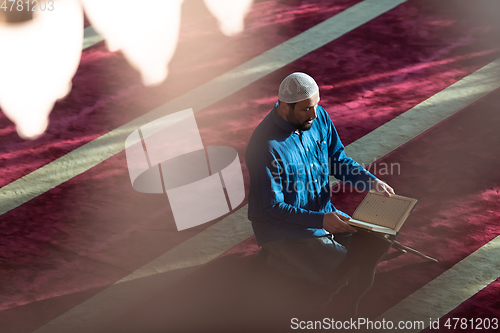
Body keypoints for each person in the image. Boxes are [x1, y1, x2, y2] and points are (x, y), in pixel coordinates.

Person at [245, 72, 395, 313]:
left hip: (325, 216)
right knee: (347, 274)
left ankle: (303, 258)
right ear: (284, 106)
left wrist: (370, 182)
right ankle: (278, 257)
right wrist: (321, 220)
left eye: (315, 105)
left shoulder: (318, 117)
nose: (314, 114)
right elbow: (271, 208)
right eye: (306, 109)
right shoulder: (265, 147)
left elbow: (337, 159)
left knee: (377, 240)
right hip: (286, 231)